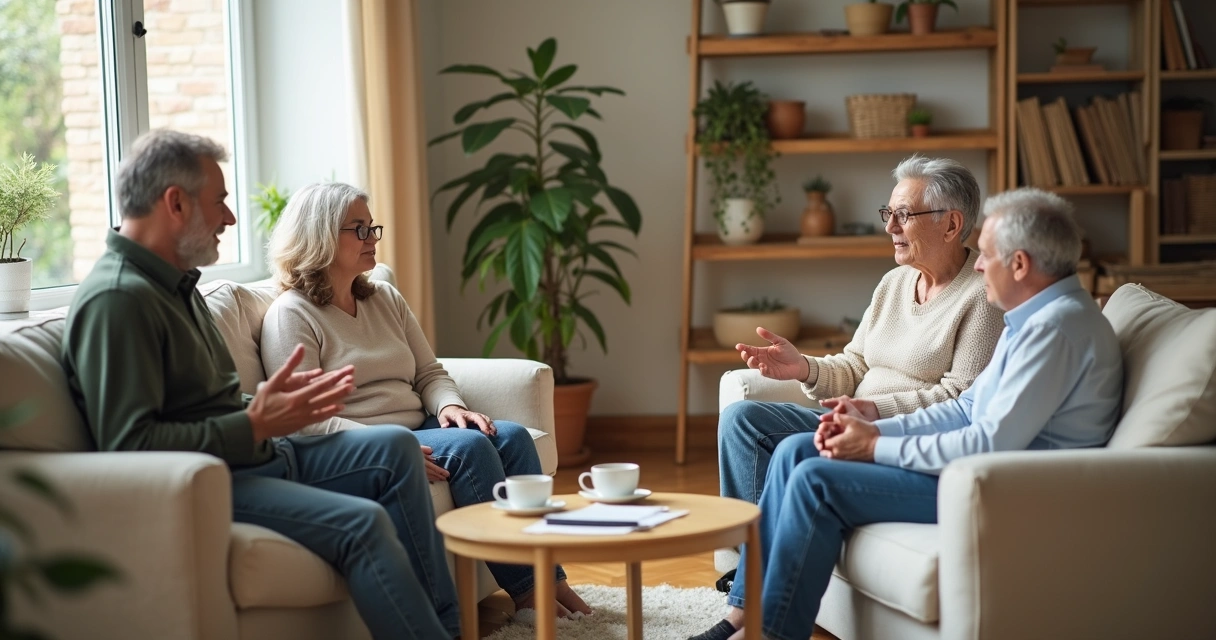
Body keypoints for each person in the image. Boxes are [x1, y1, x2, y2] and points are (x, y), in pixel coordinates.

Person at [61, 130, 461, 640]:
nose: (230, 217)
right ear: (176, 203)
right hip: (217, 478)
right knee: (363, 524)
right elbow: (129, 447)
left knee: (396, 447)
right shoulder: (118, 300)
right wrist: (251, 423)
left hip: (264, 450)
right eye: (220, 201)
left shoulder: (177, 285)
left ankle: (446, 629)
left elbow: (205, 404)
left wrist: (274, 412)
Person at [691, 187, 1125, 640]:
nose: (978, 264)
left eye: (988, 254)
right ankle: (746, 615)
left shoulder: (1056, 332)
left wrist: (876, 443)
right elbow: (967, 408)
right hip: (972, 470)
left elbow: (989, 442)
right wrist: (869, 426)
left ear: (1019, 265)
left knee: (815, 478)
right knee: (797, 451)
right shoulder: (1034, 319)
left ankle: (768, 635)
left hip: (1001, 490)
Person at [259, 181, 593, 619]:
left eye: (372, 227)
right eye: (358, 230)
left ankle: (555, 582)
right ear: (319, 236)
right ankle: (529, 596)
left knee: (510, 437)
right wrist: (388, 449)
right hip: (367, 442)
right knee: (472, 448)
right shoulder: (292, 314)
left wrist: (450, 407)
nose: (372, 239)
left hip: (420, 425)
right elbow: (306, 419)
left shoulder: (383, 297)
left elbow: (429, 373)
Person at [715, 156, 1005, 578]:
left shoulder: (982, 296)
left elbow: (958, 400)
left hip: (889, 437)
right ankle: (752, 562)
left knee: (791, 447)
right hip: (848, 418)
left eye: (903, 215)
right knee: (743, 420)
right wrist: (804, 369)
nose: (890, 227)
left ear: (951, 224)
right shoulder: (895, 282)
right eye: (889, 214)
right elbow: (855, 363)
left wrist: (874, 411)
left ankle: (758, 576)